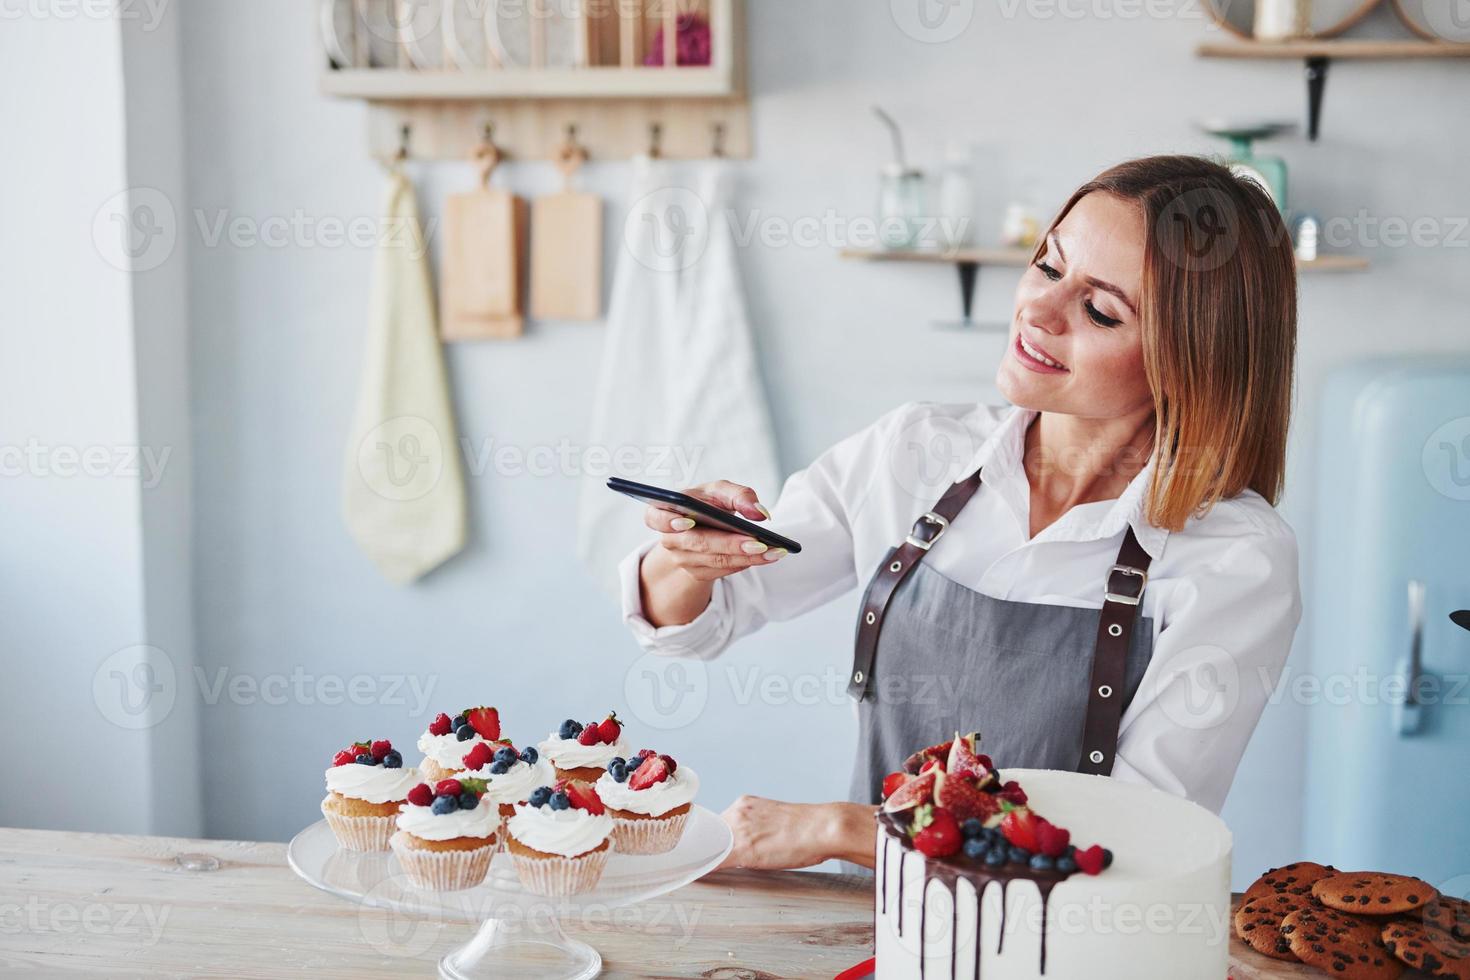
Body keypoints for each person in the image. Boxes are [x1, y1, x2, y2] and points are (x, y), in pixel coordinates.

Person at [619, 155, 1302, 871]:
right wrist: (686, 550)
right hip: (882, 931)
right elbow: (697, 622)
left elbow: (1140, 843)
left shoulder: (1235, 557)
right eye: (1047, 266)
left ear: (1191, 358)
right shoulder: (914, 450)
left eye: (1100, 310)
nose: (1037, 312)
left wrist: (846, 831)